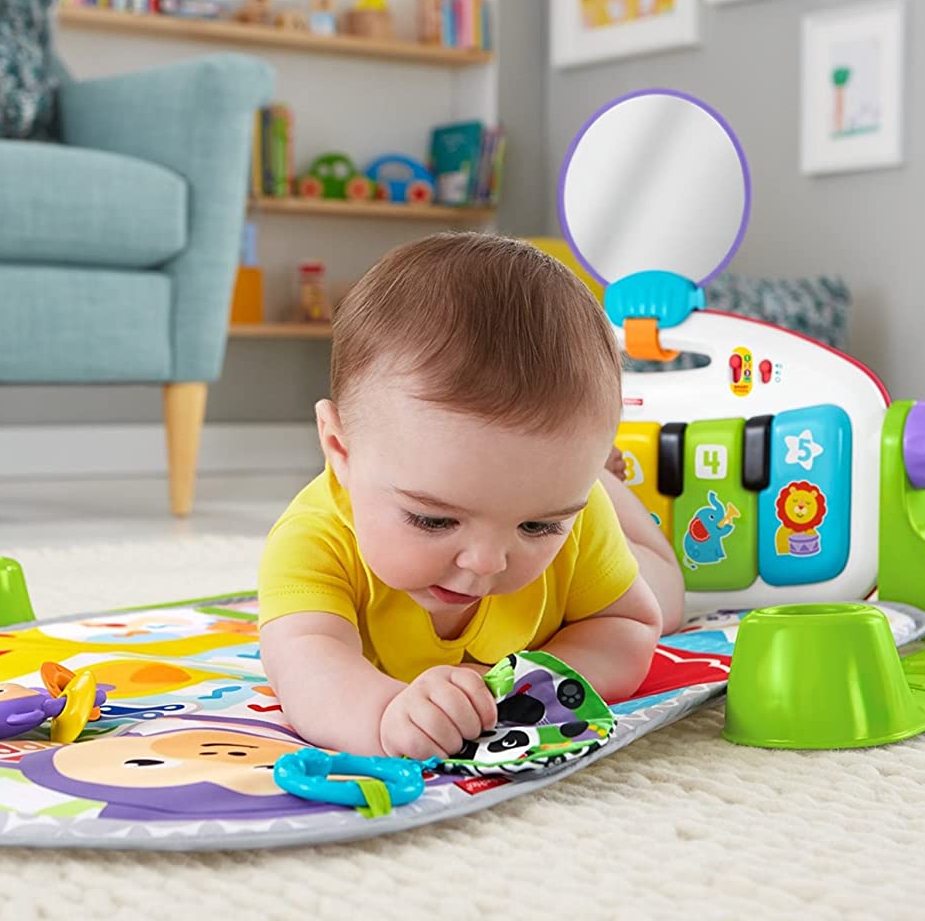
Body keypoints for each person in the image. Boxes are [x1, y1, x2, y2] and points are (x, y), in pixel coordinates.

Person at [258, 233, 684, 760]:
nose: (486, 563)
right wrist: (386, 717)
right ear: (340, 449)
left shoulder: (577, 516)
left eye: (537, 526)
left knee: (669, 598)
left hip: (588, 505)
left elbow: (631, 625)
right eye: (434, 520)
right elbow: (305, 665)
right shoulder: (313, 541)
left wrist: (522, 683)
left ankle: (604, 481)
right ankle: (593, 477)